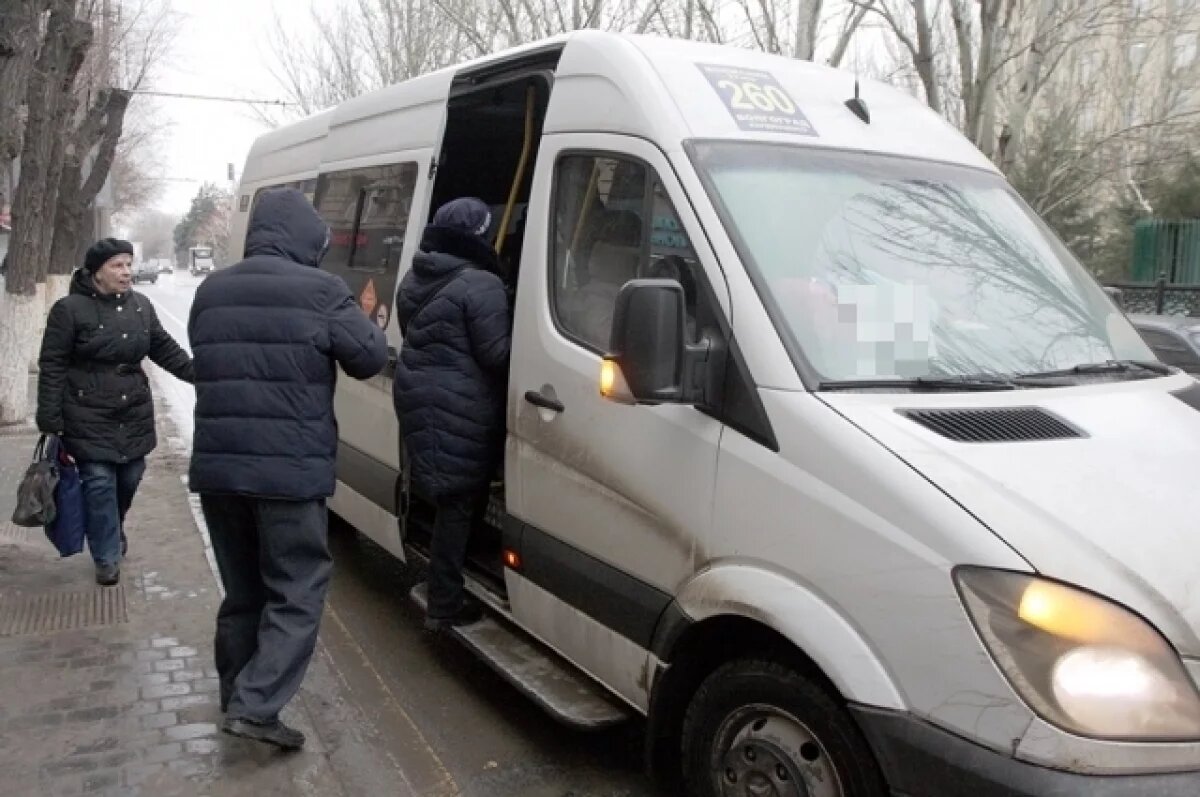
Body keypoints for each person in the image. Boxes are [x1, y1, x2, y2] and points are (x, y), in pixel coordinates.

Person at [188, 187, 387, 751]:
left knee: (243, 590)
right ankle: (255, 706)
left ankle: (237, 694)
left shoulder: (212, 289)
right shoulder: (323, 291)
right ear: (308, 238)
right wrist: (363, 317)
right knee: (296, 592)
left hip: (219, 471)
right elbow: (369, 358)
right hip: (288, 475)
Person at [35, 238, 193, 587]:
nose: (126, 272)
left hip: (132, 410)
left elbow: (163, 348)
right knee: (100, 483)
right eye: (117, 266)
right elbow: (53, 365)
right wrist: (49, 416)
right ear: (96, 272)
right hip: (86, 412)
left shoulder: (141, 306)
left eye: (128, 264)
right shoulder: (69, 310)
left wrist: (200, 375)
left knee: (130, 476)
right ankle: (106, 557)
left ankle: (110, 525)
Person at [393, 197, 512, 632]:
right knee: (460, 501)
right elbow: (497, 354)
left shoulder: (416, 274)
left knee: (454, 494)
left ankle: (452, 570)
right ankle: (443, 603)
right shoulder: (481, 284)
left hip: (420, 393)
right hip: (459, 402)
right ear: (480, 233)